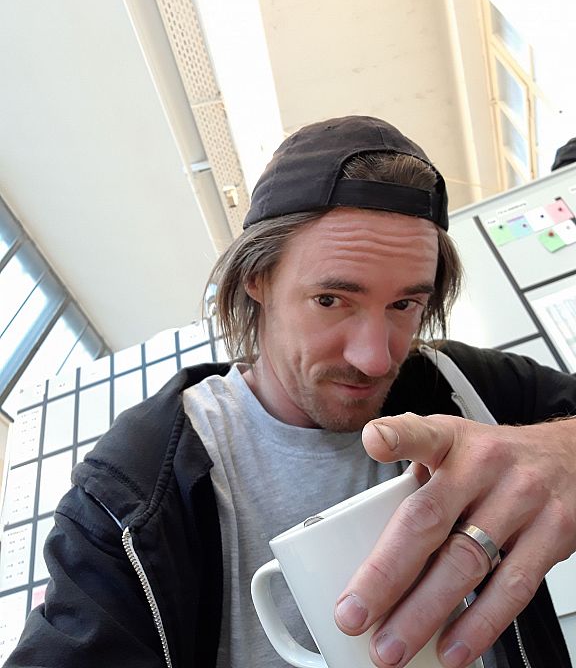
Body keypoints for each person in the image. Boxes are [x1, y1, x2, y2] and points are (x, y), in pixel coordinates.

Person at [5, 116, 576, 668]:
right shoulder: (133, 492)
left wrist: (562, 452)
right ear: (257, 278)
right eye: (331, 300)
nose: (376, 358)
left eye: (404, 304)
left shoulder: (460, 385)